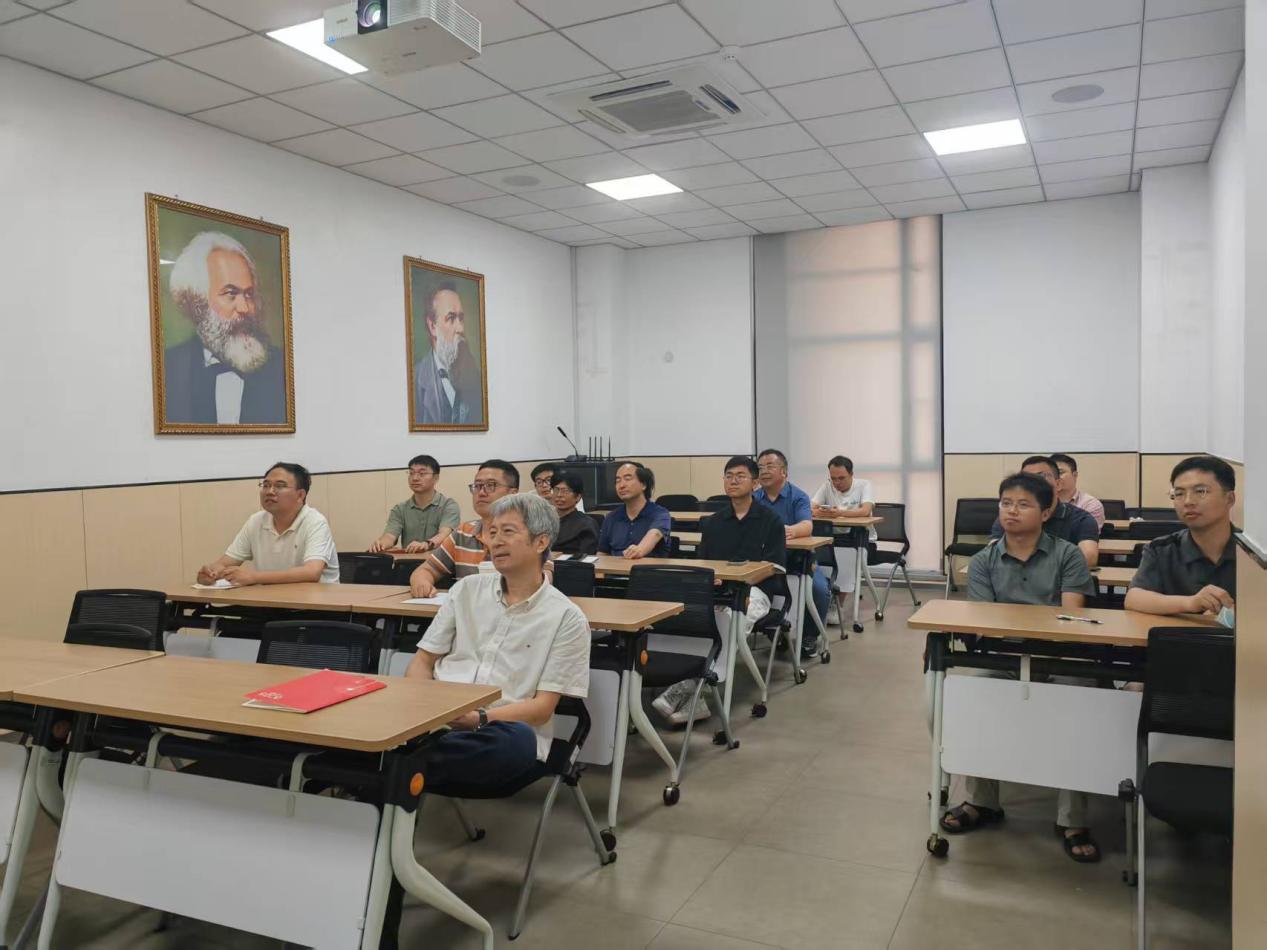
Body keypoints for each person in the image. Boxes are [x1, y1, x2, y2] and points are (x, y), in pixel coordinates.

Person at [379, 494, 589, 948]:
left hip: (502, 730)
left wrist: (478, 717)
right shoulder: (465, 591)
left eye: (508, 532)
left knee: (510, 743)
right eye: (492, 532)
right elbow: (422, 663)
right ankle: (396, 767)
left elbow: (542, 708)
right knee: (392, 742)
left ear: (541, 542)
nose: (495, 541)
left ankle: (389, 767)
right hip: (436, 723)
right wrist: (424, 708)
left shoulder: (566, 617)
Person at [942, 472, 1100, 863]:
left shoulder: (1068, 555)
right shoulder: (983, 561)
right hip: (1004, 657)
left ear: (1046, 512)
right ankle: (981, 801)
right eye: (1006, 503)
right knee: (973, 695)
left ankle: (1072, 819)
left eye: (1023, 504)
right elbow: (985, 622)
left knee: (1081, 706)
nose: (1012, 511)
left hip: (1060, 655)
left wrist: (1017, 621)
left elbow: (1070, 619)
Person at [652, 456, 786, 725]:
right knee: (690, 620)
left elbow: (775, 567)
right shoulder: (713, 522)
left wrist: (743, 579)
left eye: (740, 476)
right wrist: (709, 580)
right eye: (728, 476)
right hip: (716, 591)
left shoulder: (770, 520)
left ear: (755, 483)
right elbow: (704, 562)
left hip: (754, 591)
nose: (733, 481)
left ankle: (689, 685)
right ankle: (697, 698)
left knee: (732, 623)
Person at [164, 232, 287, 425]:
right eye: (231, 293)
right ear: (198, 303)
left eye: (249, 294)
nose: (245, 308)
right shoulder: (169, 368)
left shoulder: (282, 368)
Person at [1125, 455, 1237, 618]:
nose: (1188, 501)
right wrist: (1191, 603)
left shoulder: (1253, 554)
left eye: (1201, 491)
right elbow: (1133, 598)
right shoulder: (1162, 549)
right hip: (1182, 634)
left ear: (1229, 499)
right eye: (1179, 494)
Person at [196, 462, 338, 585]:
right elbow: (224, 563)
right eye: (266, 485)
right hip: (272, 602)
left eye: (279, 486)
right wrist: (211, 572)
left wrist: (253, 577)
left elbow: (312, 572)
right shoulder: (256, 521)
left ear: (300, 495)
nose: (270, 491)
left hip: (315, 604)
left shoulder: (315, 521)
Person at [754, 448, 827, 659]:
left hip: (798, 559)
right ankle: (774, 631)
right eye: (760, 467)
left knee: (819, 590)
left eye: (770, 466)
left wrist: (789, 531)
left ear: (784, 472)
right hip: (765, 561)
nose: (764, 471)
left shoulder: (798, 496)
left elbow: (806, 525)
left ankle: (809, 636)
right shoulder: (754, 497)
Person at [408, 459, 517, 597]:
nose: (481, 492)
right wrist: (421, 583)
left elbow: (539, 582)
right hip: (468, 609)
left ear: (513, 493)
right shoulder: (463, 532)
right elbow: (426, 570)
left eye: (491, 485)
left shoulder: (528, 534)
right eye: (477, 486)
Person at [990, 455, 1099, 567]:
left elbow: (1088, 558)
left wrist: (1035, 568)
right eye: (1027, 479)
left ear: (1058, 484)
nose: (1033, 484)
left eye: (1041, 476)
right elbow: (993, 556)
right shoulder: (1011, 516)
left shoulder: (1081, 519)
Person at [811, 454, 877, 613]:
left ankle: (836, 605)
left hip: (860, 540)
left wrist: (839, 513)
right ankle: (824, 600)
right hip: (833, 539)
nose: (836, 483)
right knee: (819, 559)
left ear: (851, 474)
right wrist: (822, 512)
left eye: (841, 478)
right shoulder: (827, 486)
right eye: (833, 478)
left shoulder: (864, 485)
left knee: (845, 561)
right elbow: (810, 508)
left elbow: (865, 510)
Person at [413, 282, 484, 426]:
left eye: (461, 318)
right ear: (433, 326)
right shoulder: (416, 379)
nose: (460, 328)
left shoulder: (475, 378)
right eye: (451, 318)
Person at [368, 454, 460, 553]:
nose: (415, 478)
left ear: (436, 478)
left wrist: (426, 544)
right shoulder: (400, 509)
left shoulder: (448, 505)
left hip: (438, 561)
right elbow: (390, 536)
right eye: (411, 473)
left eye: (422, 473)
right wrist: (381, 544)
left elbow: (444, 534)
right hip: (409, 561)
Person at [597, 462, 671, 559]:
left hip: (647, 568)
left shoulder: (660, 514)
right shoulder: (611, 517)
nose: (621, 485)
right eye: (618, 481)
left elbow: (655, 534)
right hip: (616, 568)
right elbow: (602, 553)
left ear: (643, 485)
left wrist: (639, 550)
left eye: (627, 479)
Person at [549, 470, 599, 555]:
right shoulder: (545, 520)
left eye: (565, 491)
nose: (559, 495)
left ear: (578, 497)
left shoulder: (586, 524)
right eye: (556, 490)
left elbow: (586, 557)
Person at [1050, 453, 1105, 528]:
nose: (1055, 477)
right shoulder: (1041, 502)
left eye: (1060, 472)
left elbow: (1087, 532)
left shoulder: (1090, 504)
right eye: (1050, 474)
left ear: (1075, 475)